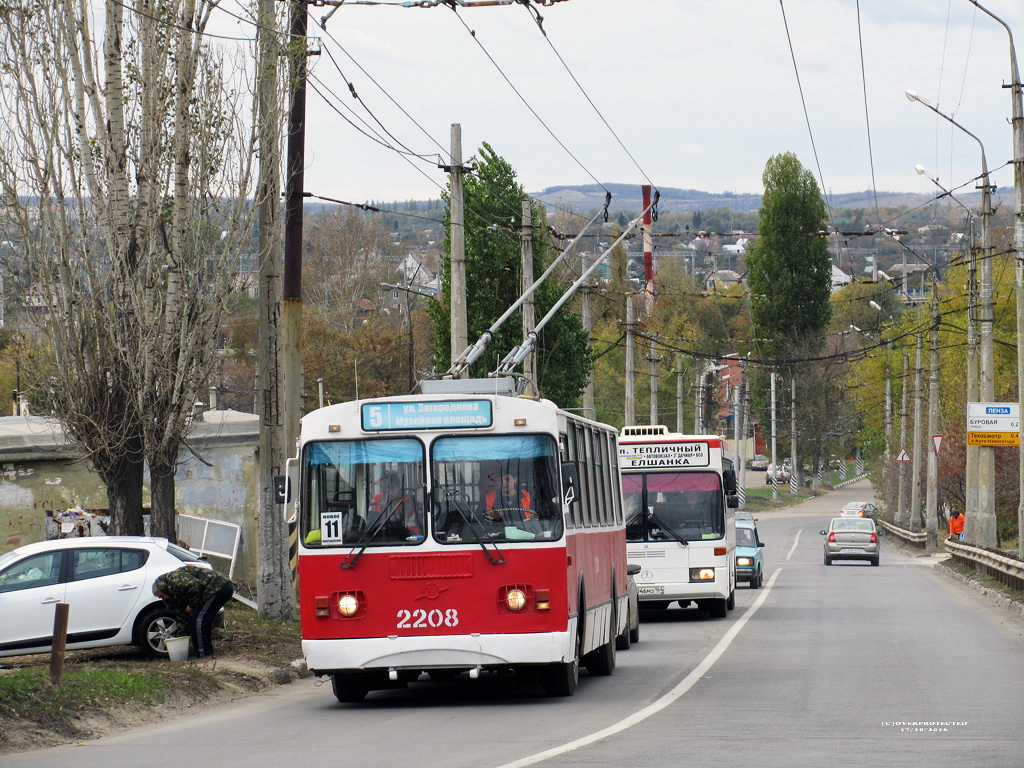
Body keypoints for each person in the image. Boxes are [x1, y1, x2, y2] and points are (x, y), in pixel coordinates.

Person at [152, 565, 234, 659]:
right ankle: (206, 653)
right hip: (214, 590)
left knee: (199, 620)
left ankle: (203, 655)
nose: (164, 598)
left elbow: (194, 586)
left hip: (219, 587)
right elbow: (181, 615)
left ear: (164, 588)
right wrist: (180, 637)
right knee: (196, 620)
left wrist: (191, 605)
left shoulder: (175, 580)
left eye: (163, 595)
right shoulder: (173, 594)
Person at [371, 471, 422, 538]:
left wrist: (391, 502)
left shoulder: (407, 499)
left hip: (409, 535)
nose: (388, 490)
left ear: (398, 487)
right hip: (381, 533)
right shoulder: (376, 498)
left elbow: (398, 522)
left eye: (392, 487)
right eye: (384, 487)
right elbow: (371, 518)